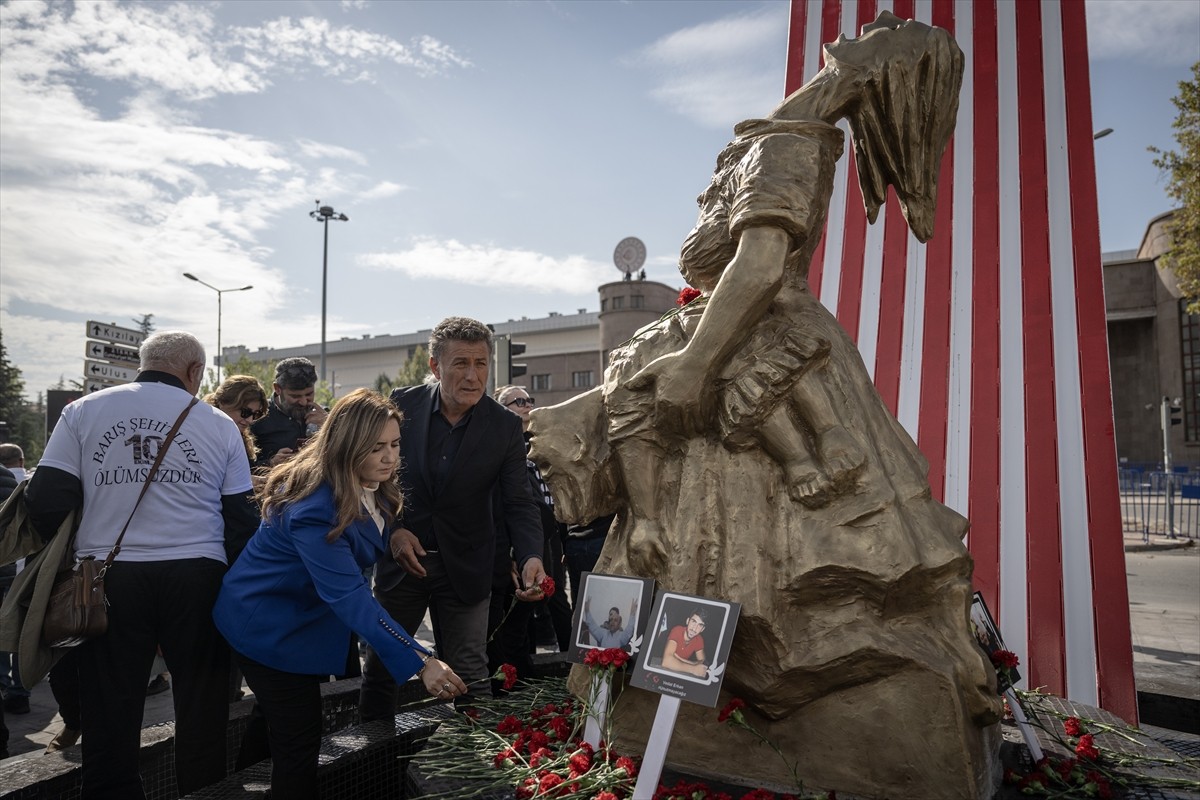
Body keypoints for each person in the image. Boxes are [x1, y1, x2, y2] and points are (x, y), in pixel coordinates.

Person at [25, 330, 257, 799]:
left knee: (109, 703)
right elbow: (241, 519)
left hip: (109, 576)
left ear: (143, 364)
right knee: (202, 701)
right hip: (198, 573)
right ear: (195, 371)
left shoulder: (83, 411)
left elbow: (45, 500)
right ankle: (203, 792)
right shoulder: (219, 424)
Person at [214, 388, 464, 800]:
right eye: (376, 447)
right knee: (299, 739)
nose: (390, 457)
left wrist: (396, 534)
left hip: (299, 622)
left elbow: (370, 526)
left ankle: (237, 792)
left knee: (273, 723)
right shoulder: (315, 508)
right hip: (264, 626)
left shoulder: (370, 482)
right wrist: (421, 660)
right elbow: (350, 597)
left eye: (394, 444)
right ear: (347, 445)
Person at [361, 317, 547, 717]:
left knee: (470, 675)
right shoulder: (401, 405)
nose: (472, 376)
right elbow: (373, 478)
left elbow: (520, 502)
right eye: (460, 363)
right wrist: (394, 531)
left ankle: (472, 754)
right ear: (435, 366)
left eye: (481, 364)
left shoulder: (504, 426)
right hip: (403, 565)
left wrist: (531, 555)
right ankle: (377, 754)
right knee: (382, 669)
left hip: (467, 566)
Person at [494, 384, 571, 651]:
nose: (527, 405)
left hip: (551, 529)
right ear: (502, 410)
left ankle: (569, 656)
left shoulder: (544, 440)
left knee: (554, 592)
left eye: (529, 400)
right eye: (519, 401)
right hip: (516, 534)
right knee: (522, 600)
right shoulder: (500, 444)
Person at [251, 357, 328, 469]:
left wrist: (329, 426)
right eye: (295, 396)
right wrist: (270, 463)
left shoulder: (324, 415)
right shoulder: (256, 417)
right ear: (277, 389)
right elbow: (240, 468)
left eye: (309, 394)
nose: (303, 402)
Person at [660, 608, 708, 678]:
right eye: (693, 622)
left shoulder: (699, 639)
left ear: (702, 629)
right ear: (687, 621)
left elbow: (704, 664)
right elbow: (666, 662)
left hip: (680, 674)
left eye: (700, 625)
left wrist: (682, 660)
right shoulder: (677, 630)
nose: (694, 628)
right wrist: (693, 669)